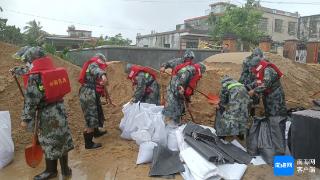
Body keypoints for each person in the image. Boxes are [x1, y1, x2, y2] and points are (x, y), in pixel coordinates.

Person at [11, 47, 74, 180]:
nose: (27, 64)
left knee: (49, 141)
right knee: (62, 139)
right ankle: (65, 169)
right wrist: (17, 71)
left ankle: (51, 171)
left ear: (32, 60)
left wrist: (25, 119)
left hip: (46, 114)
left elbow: (31, 100)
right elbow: (28, 70)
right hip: (60, 109)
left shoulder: (34, 77)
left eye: (28, 61)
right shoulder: (50, 70)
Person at [248, 56, 287, 155]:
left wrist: (254, 91)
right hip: (269, 101)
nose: (252, 70)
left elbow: (266, 84)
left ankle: (280, 154)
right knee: (272, 124)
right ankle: (275, 149)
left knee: (276, 124)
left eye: (253, 67)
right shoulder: (261, 70)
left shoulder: (268, 70)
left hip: (276, 102)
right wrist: (249, 86)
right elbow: (258, 82)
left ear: (257, 65)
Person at [79, 53, 109, 149]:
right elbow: (96, 70)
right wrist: (103, 75)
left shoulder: (92, 64)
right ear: (100, 59)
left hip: (90, 92)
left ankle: (96, 132)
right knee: (91, 117)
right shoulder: (93, 64)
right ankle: (89, 144)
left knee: (96, 112)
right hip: (88, 93)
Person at [215, 75, 250, 140]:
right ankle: (240, 135)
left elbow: (223, 99)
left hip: (236, 103)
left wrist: (219, 105)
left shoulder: (225, 84)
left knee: (227, 118)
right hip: (245, 102)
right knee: (241, 117)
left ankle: (222, 136)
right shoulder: (237, 83)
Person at [239, 48, 264, 116]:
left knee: (254, 98)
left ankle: (252, 115)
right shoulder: (247, 61)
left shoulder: (261, 61)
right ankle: (245, 114)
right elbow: (249, 72)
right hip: (246, 80)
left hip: (254, 80)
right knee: (246, 97)